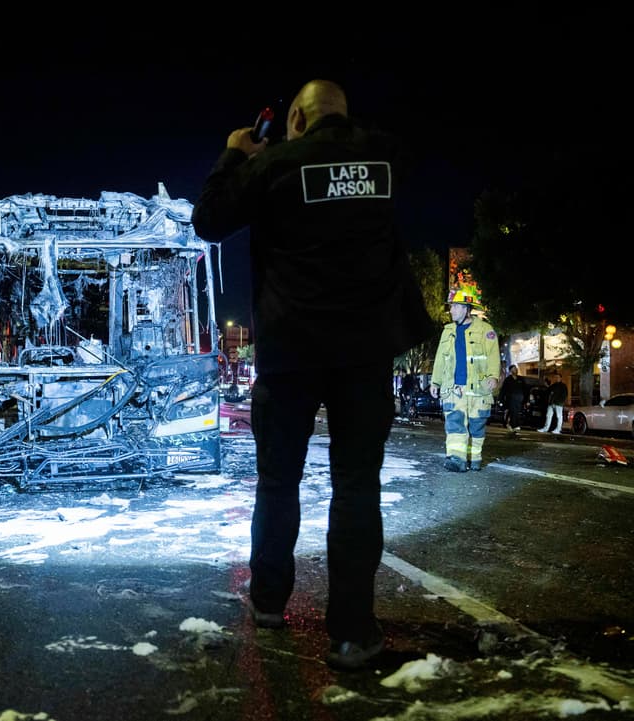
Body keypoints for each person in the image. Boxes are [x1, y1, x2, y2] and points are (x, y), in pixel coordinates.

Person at [191, 79, 434, 671]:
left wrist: (235, 152)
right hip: (362, 355)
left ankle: (270, 601)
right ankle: (351, 634)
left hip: (290, 352)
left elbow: (208, 220)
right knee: (356, 486)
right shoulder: (382, 156)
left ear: (294, 119)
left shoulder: (274, 164)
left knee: (278, 482)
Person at [430, 286, 501, 471]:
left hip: (478, 390)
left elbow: (493, 355)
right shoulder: (448, 331)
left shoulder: (486, 330)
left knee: (477, 428)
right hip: (454, 389)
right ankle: (456, 460)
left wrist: (494, 376)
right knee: (454, 425)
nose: (451, 310)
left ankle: (474, 459)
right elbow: (440, 358)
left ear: (466, 308)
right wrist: (435, 381)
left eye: (454, 306)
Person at [498, 364, 525, 433]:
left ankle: (508, 423)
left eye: (516, 369)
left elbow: (525, 390)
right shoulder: (508, 379)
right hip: (510, 399)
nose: (515, 370)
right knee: (513, 411)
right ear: (510, 371)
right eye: (513, 369)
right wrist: (500, 399)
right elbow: (503, 390)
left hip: (519, 399)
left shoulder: (521, 379)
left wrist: (525, 399)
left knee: (516, 411)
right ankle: (515, 425)